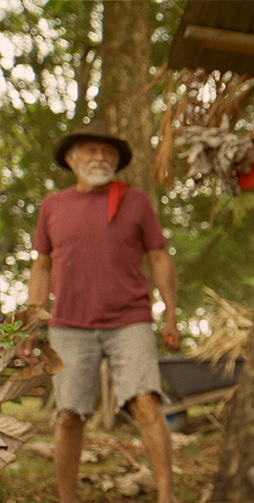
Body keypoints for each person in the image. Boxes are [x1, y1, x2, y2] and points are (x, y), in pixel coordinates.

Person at [18, 121, 181, 503]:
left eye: (107, 152)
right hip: (68, 325)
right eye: (91, 150)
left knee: (146, 402)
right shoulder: (53, 205)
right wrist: (31, 324)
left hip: (129, 320)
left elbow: (159, 257)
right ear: (72, 159)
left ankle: (167, 495)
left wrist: (171, 314)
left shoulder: (135, 201)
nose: (100, 157)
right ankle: (67, 499)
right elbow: (41, 266)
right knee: (69, 415)